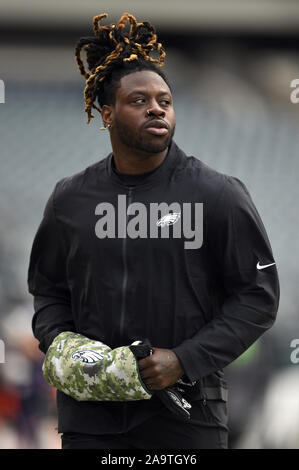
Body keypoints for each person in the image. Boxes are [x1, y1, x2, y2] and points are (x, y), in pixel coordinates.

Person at [27, 12, 280, 449]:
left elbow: (258, 297)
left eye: (164, 99)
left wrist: (184, 360)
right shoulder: (70, 199)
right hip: (90, 418)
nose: (157, 108)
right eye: (139, 101)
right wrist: (64, 346)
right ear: (107, 113)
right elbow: (48, 290)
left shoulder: (217, 194)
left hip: (186, 416)